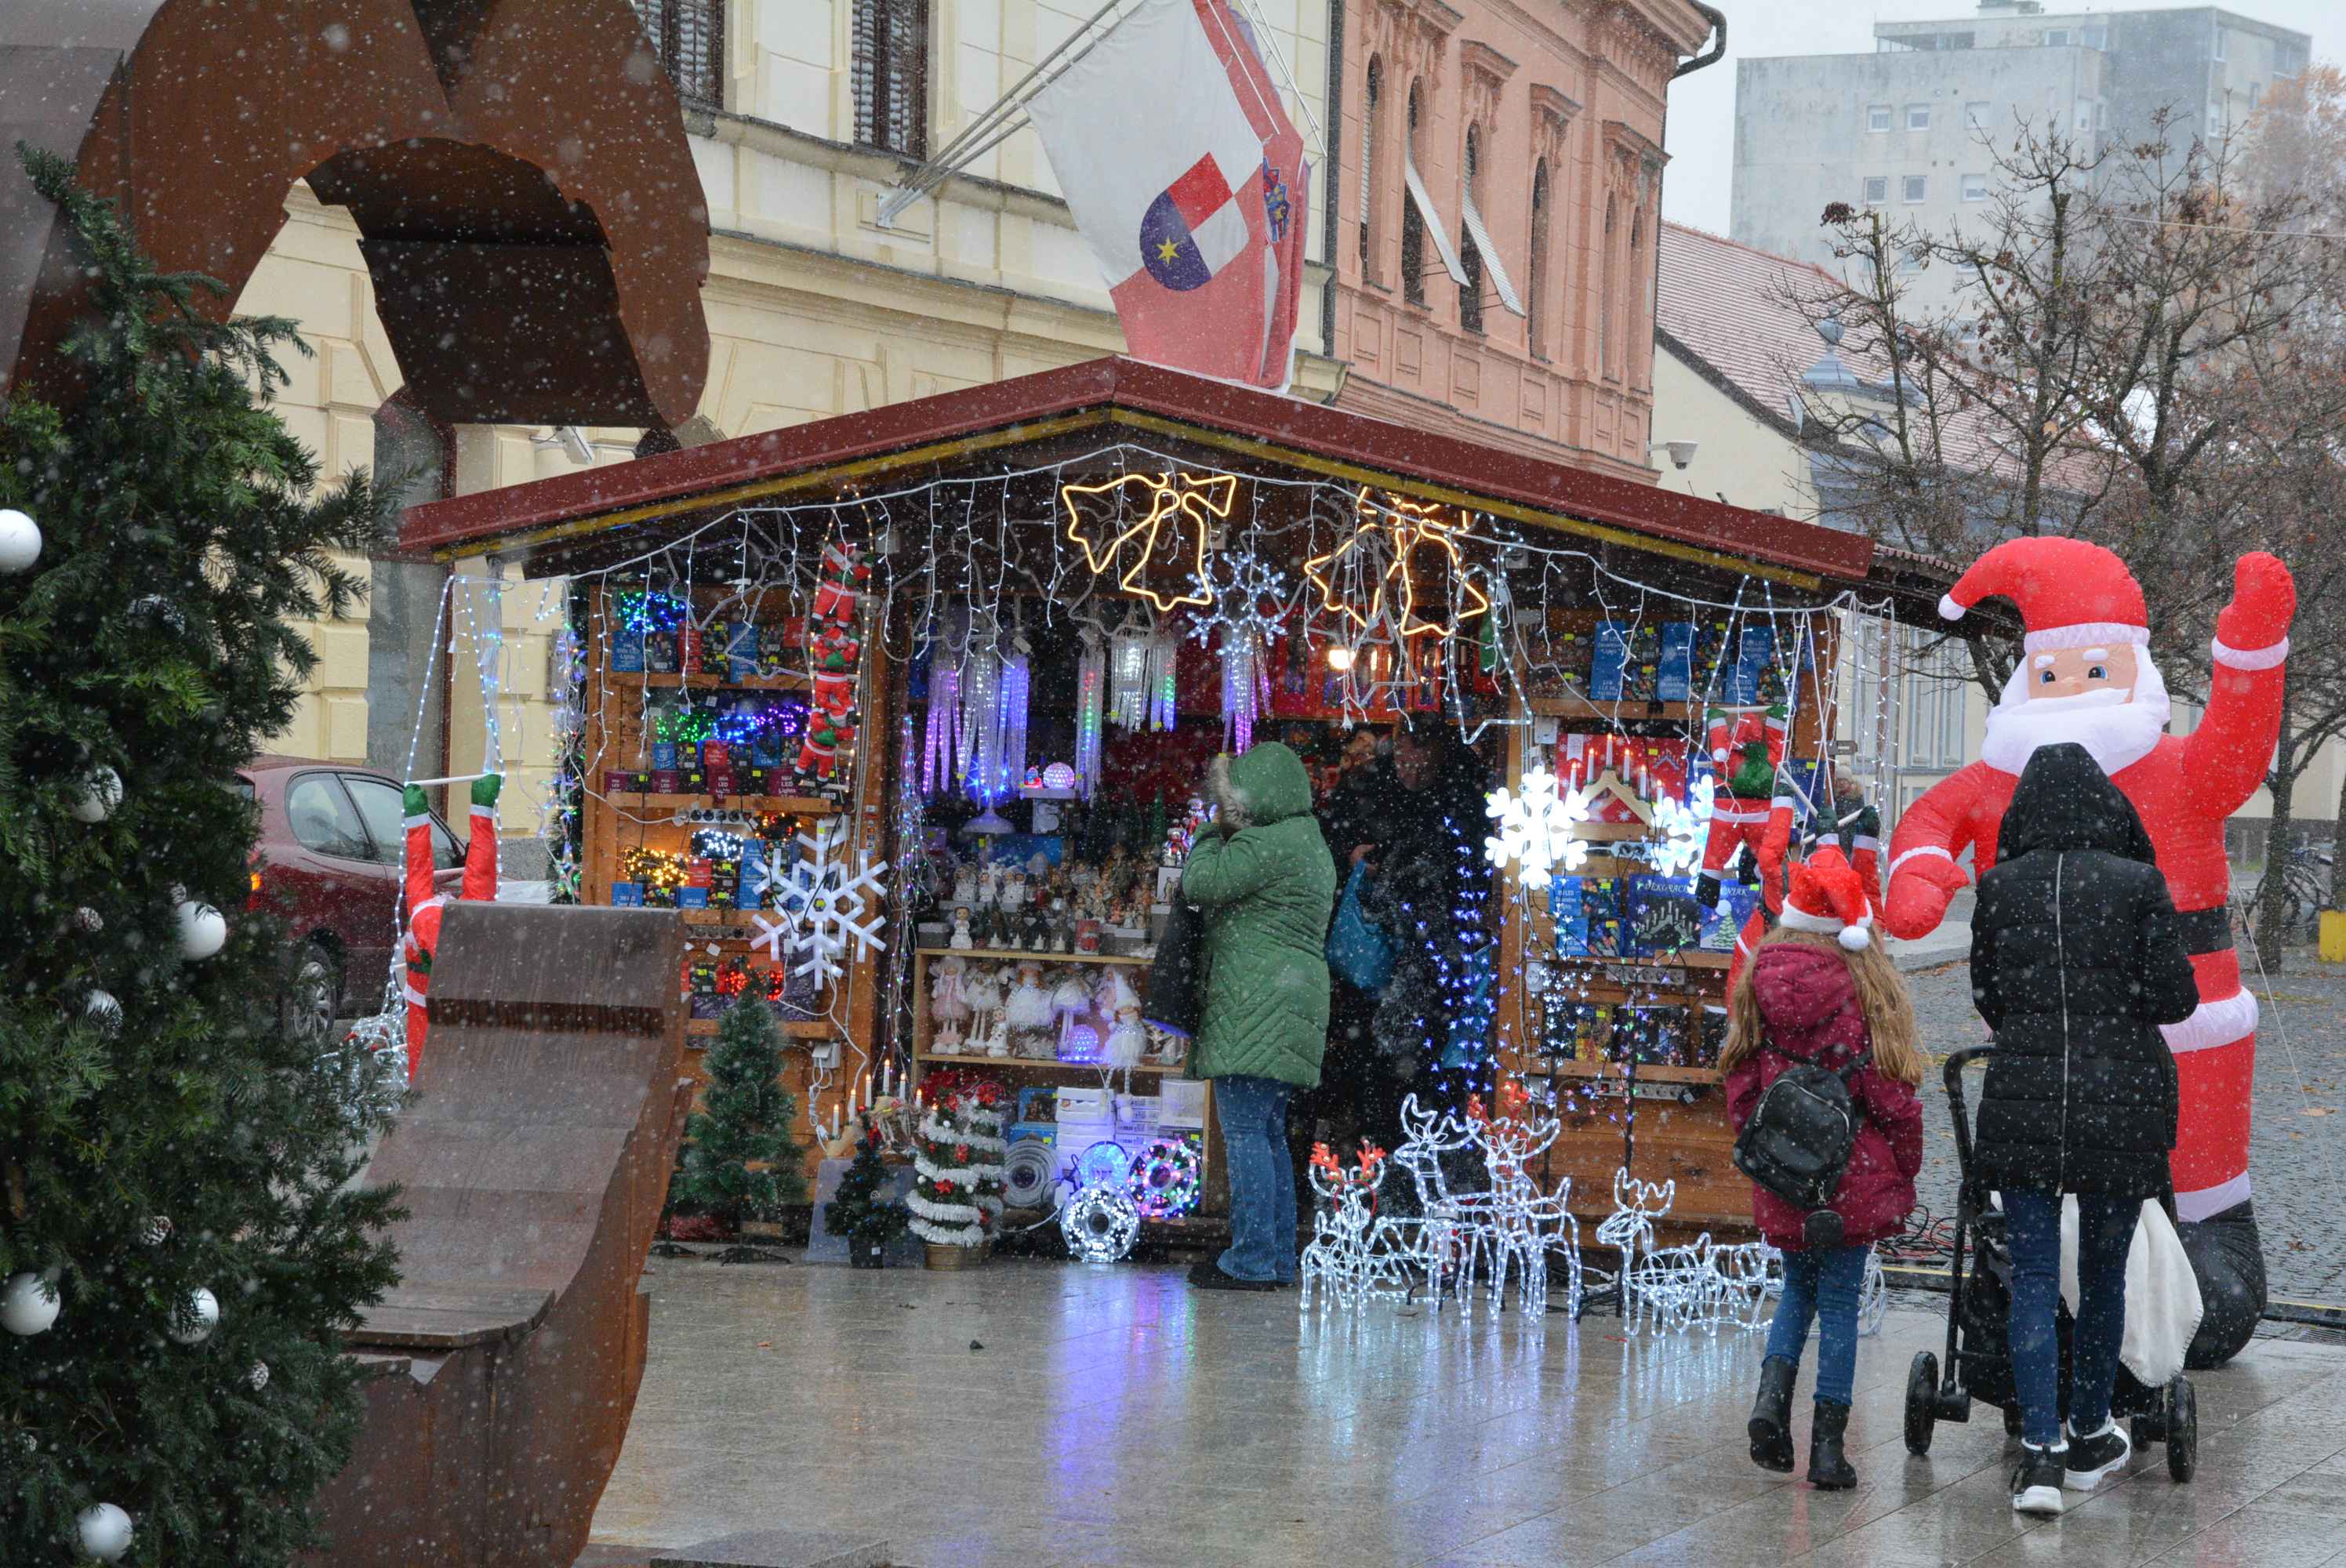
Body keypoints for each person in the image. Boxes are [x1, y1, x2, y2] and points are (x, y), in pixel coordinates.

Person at [1886, 541, 2293, 1366]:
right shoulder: (1998, 778)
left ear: (2132, 672)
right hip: (2102, 1034)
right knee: (2095, 1185)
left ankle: (2183, 1258)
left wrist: (2251, 644)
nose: (2070, 691)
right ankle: (2091, 1297)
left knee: (2187, 1180)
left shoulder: (2176, 768)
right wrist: (1921, 878)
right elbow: (1929, 821)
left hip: (2162, 1025)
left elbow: (2237, 746)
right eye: (2050, 675)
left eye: (2091, 670)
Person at [1968, 742, 2199, 1515]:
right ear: (2106, 805)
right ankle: (2090, 1426)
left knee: (2032, 1274)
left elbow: (1988, 993)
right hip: (2118, 1100)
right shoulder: (2138, 884)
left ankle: (2038, 1452)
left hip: (2024, 1096)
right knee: (2102, 1274)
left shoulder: (1999, 887)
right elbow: (2173, 999)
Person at [1723, 846, 1924, 1491]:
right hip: (1850, 1178)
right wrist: (1903, 1167)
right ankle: (1830, 1451)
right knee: (1838, 1302)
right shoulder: (1866, 990)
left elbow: (1741, 1083)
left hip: (1785, 1171)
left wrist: (1770, 1151)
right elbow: (1893, 1099)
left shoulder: (1759, 977)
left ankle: (1769, 1407)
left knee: (1796, 1291)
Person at [1179, 742, 1337, 1291]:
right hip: (1288, 999)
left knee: (1246, 1133)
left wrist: (1205, 833)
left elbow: (1199, 884)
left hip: (1256, 1000)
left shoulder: (1268, 843)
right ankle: (1275, 1259)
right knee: (1269, 1135)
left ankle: (1250, 1260)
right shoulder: (1309, 840)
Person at [399, 773, 501, 1083]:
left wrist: (416, 818)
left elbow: (419, 870)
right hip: (462, 1006)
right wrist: (482, 809)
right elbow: (480, 873)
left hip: (425, 1003)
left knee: (423, 1064)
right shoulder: (462, 919)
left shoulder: (423, 913)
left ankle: (424, 1100)